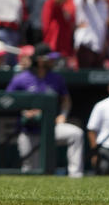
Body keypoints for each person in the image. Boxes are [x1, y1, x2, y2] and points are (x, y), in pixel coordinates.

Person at [6, 43, 84, 177]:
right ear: (40, 60)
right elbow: (7, 100)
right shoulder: (21, 79)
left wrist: (63, 115)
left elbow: (66, 100)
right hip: (29, 130)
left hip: (51, 128)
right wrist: (24, 111)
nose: (53, 61)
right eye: (50, 58)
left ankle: (75, 176)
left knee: (76, 134)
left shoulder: (56, 78)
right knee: (30, 171)